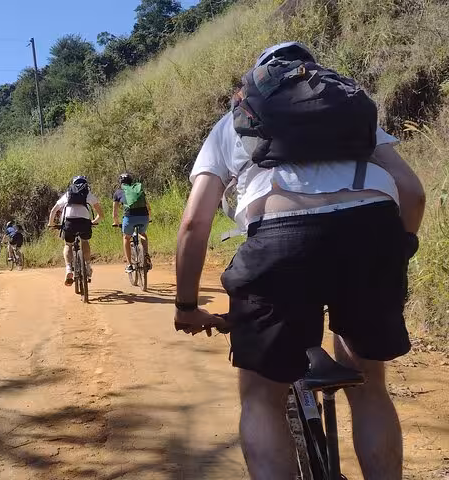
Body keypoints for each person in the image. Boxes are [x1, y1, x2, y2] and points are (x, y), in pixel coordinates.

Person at [174, 42, 425, 480]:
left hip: (280, 244)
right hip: (370, 234)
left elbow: (195, 222)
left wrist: (186, 305)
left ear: (259, 82)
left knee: (260, 396)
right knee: (369, 385)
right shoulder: (348, 109)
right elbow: (413, 191)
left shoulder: (236, 121)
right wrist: (396, 250)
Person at [47, 176, 104, 286]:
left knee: (68, 244)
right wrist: (93, 221)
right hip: (84, 223)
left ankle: (68, 269)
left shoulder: (68, 194)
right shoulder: (88, 194)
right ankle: (87, 265)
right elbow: (101, 215)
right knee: (85, 241)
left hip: (69, 223)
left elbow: (54, 210)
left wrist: (51, 223)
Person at [112, 173, 152, 273]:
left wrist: (116, 222)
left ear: (120, 182)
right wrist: (149, 218)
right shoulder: (138, 189)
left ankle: (129, 264)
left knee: (126, 237)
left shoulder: (118, 192)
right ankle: (146, 254)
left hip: (129, 218)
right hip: (144, 217)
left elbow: (115, 213)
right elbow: (148, 207)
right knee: (143, 234)